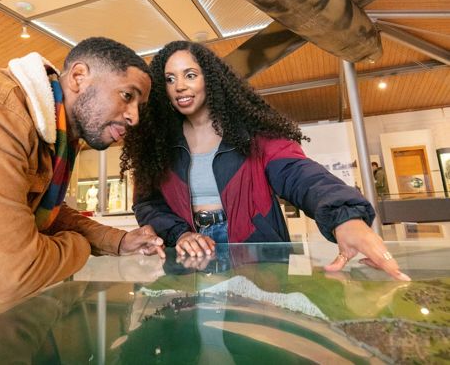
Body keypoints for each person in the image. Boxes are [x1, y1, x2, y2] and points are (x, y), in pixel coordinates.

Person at [121, 40, 410, 281]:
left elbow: (299, 174)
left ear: (210, 78)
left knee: (253, 331)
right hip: (189, 249)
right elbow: (147, 203)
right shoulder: (157, 145)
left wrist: (344, 218)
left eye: (190, 75)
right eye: (170, 79)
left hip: (255, 249)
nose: (179, 86)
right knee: (198, 330)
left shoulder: (254, 134)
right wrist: (180, 233)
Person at [0, 37, 164, 305]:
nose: (134, 117)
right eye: (127, 96)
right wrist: (80, 246)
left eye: (139, 107)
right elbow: (14, 275)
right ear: (78, 76)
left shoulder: (58, 136)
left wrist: (118, 242)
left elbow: (40, 208)